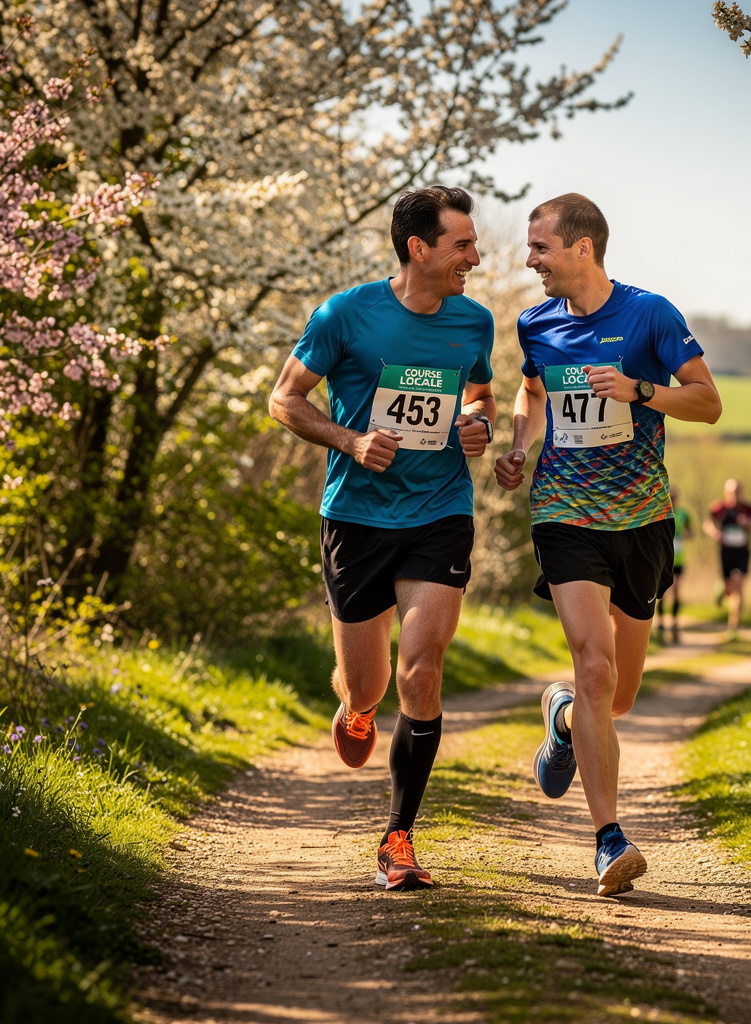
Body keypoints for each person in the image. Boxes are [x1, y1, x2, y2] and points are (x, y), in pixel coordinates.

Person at [494, 193, 721, 897]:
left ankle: (563, 720)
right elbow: (531, 393)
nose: (531, 262)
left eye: (541, 248)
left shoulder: (651, 314)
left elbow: (708, 402)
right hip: (564, 513)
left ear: (582, 247)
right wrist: (520, 445)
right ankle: (607, 839)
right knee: (593, 667)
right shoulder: (536, 324)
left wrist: (639, 388)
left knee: (616, 696)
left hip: (643, 519)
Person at [269, 185, 495, 891]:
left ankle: (398, 837)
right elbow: (285, 399)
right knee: (368, 685)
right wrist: (350, 439)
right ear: (417, 248)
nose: (476, 256)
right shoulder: (347, 315)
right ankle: (355, 706)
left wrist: (478, 424)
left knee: (421, 670)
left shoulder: (475, 322)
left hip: (439, 510)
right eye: (462, 244)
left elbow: (483, 396)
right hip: (357, 518)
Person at [703, 479, 751, 638]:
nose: (735, 495)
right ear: (726, 493)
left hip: (742, 552)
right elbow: (707, 524)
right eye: (732, 492)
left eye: (737, 492)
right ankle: (722, 588)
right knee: (729, 589)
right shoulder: (719, 508)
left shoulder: (747, 509)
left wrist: (748, 523)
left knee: (738, 584)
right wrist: (715, 533)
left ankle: (733, 626)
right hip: (726, 553)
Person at [657, 489, 693, 644]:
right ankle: (660, 624)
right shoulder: (660, 513)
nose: (672, 500)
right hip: (662, 559)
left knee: (676, 590)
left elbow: (691, 533)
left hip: (678, 559)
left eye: (674, 498)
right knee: (662, 593)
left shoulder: (683, 515)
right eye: (670, 497)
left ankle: (675, 624)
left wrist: (684, 535)